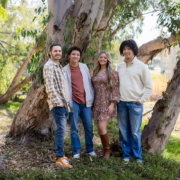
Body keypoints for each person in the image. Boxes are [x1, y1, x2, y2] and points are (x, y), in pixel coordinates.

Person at [117, 39, 153, 164]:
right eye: (124, 49)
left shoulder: (142, 66)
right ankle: (126, 154)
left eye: (129, 48)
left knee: (135, 132)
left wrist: (142, 100)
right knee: (123, 130)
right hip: (121, 103)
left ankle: (137, 156)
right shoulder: (120, 66)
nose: (126, 51)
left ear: (134, 50)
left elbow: (149, 86)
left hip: (135, 104)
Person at [63, 46, 97, 159]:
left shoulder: (84, 67)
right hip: (73, 102)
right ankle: (76, 151)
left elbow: (88, 82)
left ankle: (90, 149)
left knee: (89, 126)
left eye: (77, 54)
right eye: (73, 54)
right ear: (69, 56)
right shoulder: (64, 70)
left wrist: (91, 96)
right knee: (74, 128)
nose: (75, 56)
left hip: (85, 101)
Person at [43, 43, 72, 168]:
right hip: (58, 104)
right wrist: (58, 102)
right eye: (55, 51)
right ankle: (60, 158)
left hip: (63, 103)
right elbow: (49, 87)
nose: (58, 53)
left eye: (59, 51)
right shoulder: (49, 66)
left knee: (61, 130)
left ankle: (57, 153)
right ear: (50, 53)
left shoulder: (59, 66)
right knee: (61, 131)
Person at [91, 51, 120, 159]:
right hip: (96, 102)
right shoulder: (96, 71)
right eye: (101, 57)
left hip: (106, 103)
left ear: (108, 59)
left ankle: (107, 151)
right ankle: (106, 150)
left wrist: (112, 104)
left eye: (105, 57)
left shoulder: (112, 72)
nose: (102, 59)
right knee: (99, 129)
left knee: (101, 127)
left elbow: (115, 88)